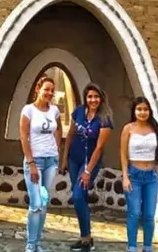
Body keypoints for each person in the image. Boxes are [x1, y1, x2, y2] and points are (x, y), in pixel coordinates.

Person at [60, 84, 114, 252]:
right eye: (90, 97)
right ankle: (86, 239)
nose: (93, 100)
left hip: (90, 162)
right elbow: (70, 135)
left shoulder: (105, 119)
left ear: (101, 98)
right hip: (74, 159)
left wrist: (88, 171)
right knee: (80, 198)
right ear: (86, 98)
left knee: (77, 196)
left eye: (96, 97)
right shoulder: (78, 111)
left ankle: (86, 238)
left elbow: (99, 148)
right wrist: (64, 159)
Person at [19, 76, 63, 252]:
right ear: (38, 89)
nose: (50, 93)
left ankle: (37, 244)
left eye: (52, 90)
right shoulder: (28, 110)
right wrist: (31, 163)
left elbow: (58, 129)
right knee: (36, 203)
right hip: (34, 161)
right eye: (46, 89)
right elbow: (23, 137)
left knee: (43, 203)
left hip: (51, 160)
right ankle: (30, 244)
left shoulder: (55, 111)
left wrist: (57, 148)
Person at [120, 96, 158, 252]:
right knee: (134, 213)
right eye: (139, 109)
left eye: (145, 109)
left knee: (149, 215)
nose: (142, 112)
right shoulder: (128, 128)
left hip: (150, 177)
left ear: (150, 111)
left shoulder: (154, 129)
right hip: (133, 175)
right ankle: (132, 247)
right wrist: (125, 176)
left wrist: (157, 167)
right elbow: (122, 153)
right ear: (134, 111)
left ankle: (148, 247)